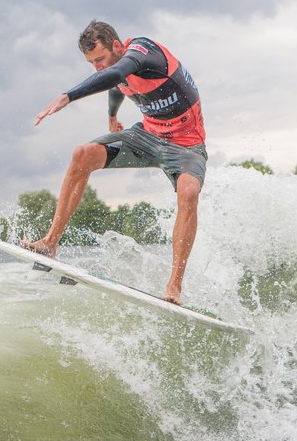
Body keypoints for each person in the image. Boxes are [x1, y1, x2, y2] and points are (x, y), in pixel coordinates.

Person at [22, 20, 207, 305]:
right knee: (82, 154)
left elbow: (117, 73)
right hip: (148, 135)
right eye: (91, 63)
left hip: (186, 143)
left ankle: (174, 286)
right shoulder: (118, 64)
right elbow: (119, 82)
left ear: (118, 46)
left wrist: (68, 96)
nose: (97, 67)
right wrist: (112, 114)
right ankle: (49, 243)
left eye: (100, 59)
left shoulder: (145, 51)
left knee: (189, 193)